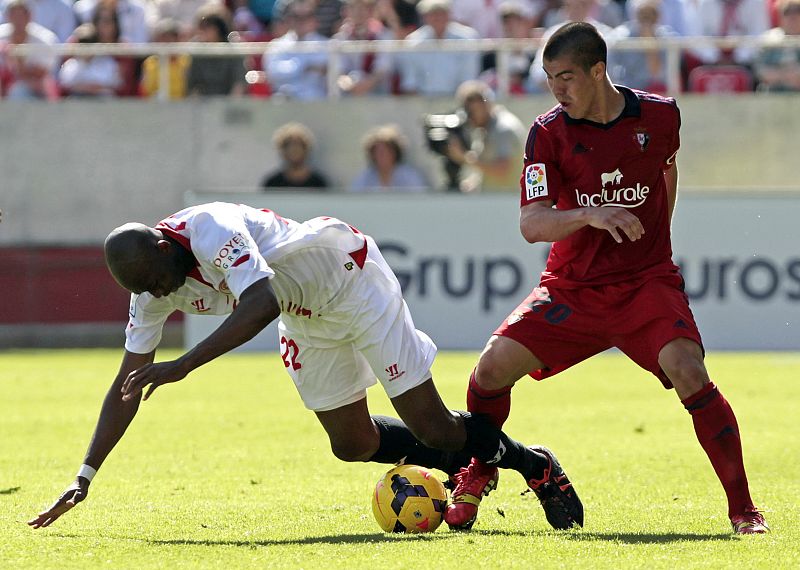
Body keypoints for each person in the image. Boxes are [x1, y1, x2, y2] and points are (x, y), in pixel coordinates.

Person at [27, 201, 583, 532]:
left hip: (349, 280)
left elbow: (261, 301)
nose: (158, 294)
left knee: (432, 428)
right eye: (145, 290)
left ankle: (531, 463)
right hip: (306, 316)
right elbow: (126, 384)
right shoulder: (150, 287)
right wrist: (85, 475)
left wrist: (184, 365)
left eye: (157, 279)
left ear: (165, 247)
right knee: (352, 444)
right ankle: (473, 459)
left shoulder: (211, 227)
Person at [443, 22, 769, 535]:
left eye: (567, 77)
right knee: (489, 371)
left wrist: (657, 240)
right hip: (571, 288)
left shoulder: (661, 116)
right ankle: (481, 467)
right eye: (550, 78)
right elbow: (532, 224)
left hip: (645, 284)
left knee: (689, 371)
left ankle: (743, 509)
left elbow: (666, 167)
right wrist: (588, 215)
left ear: (599, 71)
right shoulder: (547, 133)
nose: (558, 89)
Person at [443, 80, 527, 192]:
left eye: (471, 111)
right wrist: (471, 184)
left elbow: (503, 170)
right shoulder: (486, 128)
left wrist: (465, 157)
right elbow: (487, 170)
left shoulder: (503, 129)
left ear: (483, 104)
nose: (469, 117)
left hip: (509, 202)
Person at [398, 0, 481, 96]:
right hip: (424, 103)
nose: (438, 17)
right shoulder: (413, 41)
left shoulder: (467, 38)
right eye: (433, 13)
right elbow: (410, 82)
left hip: (459, 102)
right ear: (425, 16)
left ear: (449, 14)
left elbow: (469, 79)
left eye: (442, 12)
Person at [263, 0, 329, 101]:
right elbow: (273, 72)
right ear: (288, 19)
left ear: (315, 19)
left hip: (318, 104)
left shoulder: (326, 45)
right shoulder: (277, 45)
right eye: (296, 16)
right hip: (286, 104)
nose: (301, 21)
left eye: (307, 16)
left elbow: (334, 71)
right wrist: (304, 66)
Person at [0, 0, 58, 100]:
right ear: (7, 16)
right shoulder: (1, 35)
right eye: (14, 15)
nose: (17, 20)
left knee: (19, 92)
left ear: (30, 16)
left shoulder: (45, 39)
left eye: (21, 16)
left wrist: (17, 61)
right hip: (4, 86)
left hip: (37, 88)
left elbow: (41, 74)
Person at [186, 6, 247, 96]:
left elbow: (239, 85)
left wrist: (229, 106)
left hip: (229, 104)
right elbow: (193, 86)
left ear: (219, 28)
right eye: (201, 27)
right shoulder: (196, 51)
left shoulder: (234, 50)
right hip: (204, 105)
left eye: (207, 27)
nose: (202, 31)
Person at [351, 124, 428, 192]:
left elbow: (418, 199)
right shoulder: (365, 178)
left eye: (386, 152)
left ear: (395, 153)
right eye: (377, 152)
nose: (382, 156)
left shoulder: (409, 177)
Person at [260, 122, 330, 190]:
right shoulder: (272, 183)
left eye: (298, 145)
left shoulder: (319, 183)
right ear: (282, 150)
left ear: (306, 149)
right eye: (289, 145)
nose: (294, 150)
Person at [754, 0, 800, 92]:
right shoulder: (768, 38)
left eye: (797, 11)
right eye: (787, 12)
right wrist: (784, 75)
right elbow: (759, 69)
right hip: (772, 92)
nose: (792, 16)